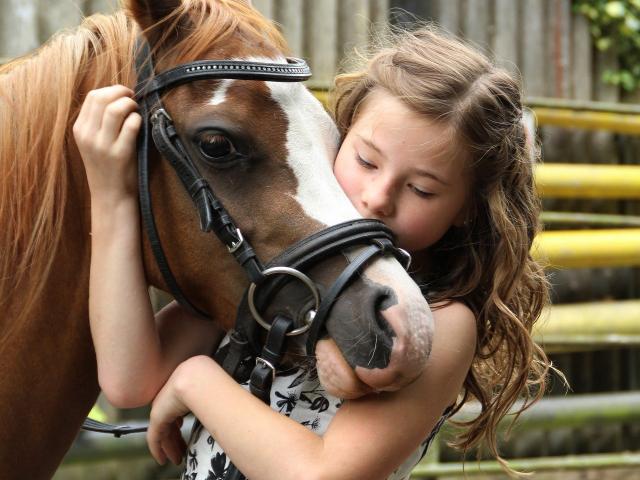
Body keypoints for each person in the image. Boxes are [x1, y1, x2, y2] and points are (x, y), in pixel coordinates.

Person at [74, 25, 551, 479]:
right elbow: (129, 379)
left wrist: (194, 381)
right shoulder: (279, 277)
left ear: (468, 207)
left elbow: (323, 472)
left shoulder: (444, 320)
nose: (377, 197)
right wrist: (111, 195)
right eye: (365, 160)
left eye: (422, 189)